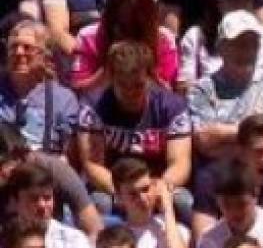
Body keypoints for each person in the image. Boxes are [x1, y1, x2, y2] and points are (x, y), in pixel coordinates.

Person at [76, 41, 193, 209]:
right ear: (111, 79)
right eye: (123, 85)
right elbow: (93, 165)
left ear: (150, 77)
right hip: (112, 187)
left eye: (138, 85)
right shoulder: (93, 107)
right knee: (99, 204)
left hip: (157, 185)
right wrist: (128, 193)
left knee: (184, 203)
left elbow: (180, 163)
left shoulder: (172, 107)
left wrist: (155, 190)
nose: (130, 93)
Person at [188, 12, 263, 164]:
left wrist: (220, 132)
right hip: (218, 174)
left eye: (252, 44)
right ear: (221, 48)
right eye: (237, 44)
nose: (246, 51)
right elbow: (203, 140)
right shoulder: (202, 89)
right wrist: (258, 136)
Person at [8, 159, 100, 248]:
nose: (42, 205)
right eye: (33, 198)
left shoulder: (74, 241)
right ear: (15, 202)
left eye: (47, 198)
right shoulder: (4, 241)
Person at [0, 19, 81, 157]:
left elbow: (68, 156)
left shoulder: (63, 99)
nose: (19, 52)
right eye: (13, 47)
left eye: (27, 47)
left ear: (45, 56)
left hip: (44, 173)